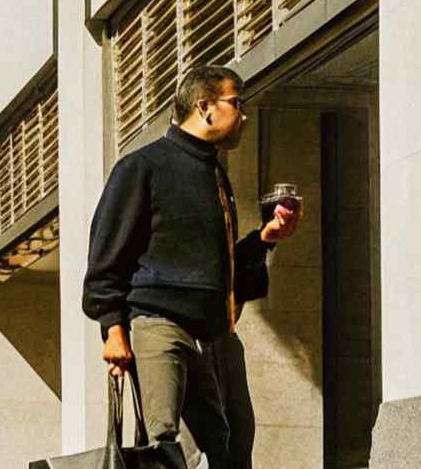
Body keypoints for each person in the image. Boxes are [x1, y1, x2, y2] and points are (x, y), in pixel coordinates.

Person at [82, 65, 303, 469]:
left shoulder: (215, 176)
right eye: (236, 103)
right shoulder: (142, 168)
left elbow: (217, 269)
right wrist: (113, 328)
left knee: (223, 442)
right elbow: (105, 258)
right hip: (158, 325)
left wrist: (264, 238)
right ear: (205, 107)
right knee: (162, 441)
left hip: (211, 332)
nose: (244, 114)